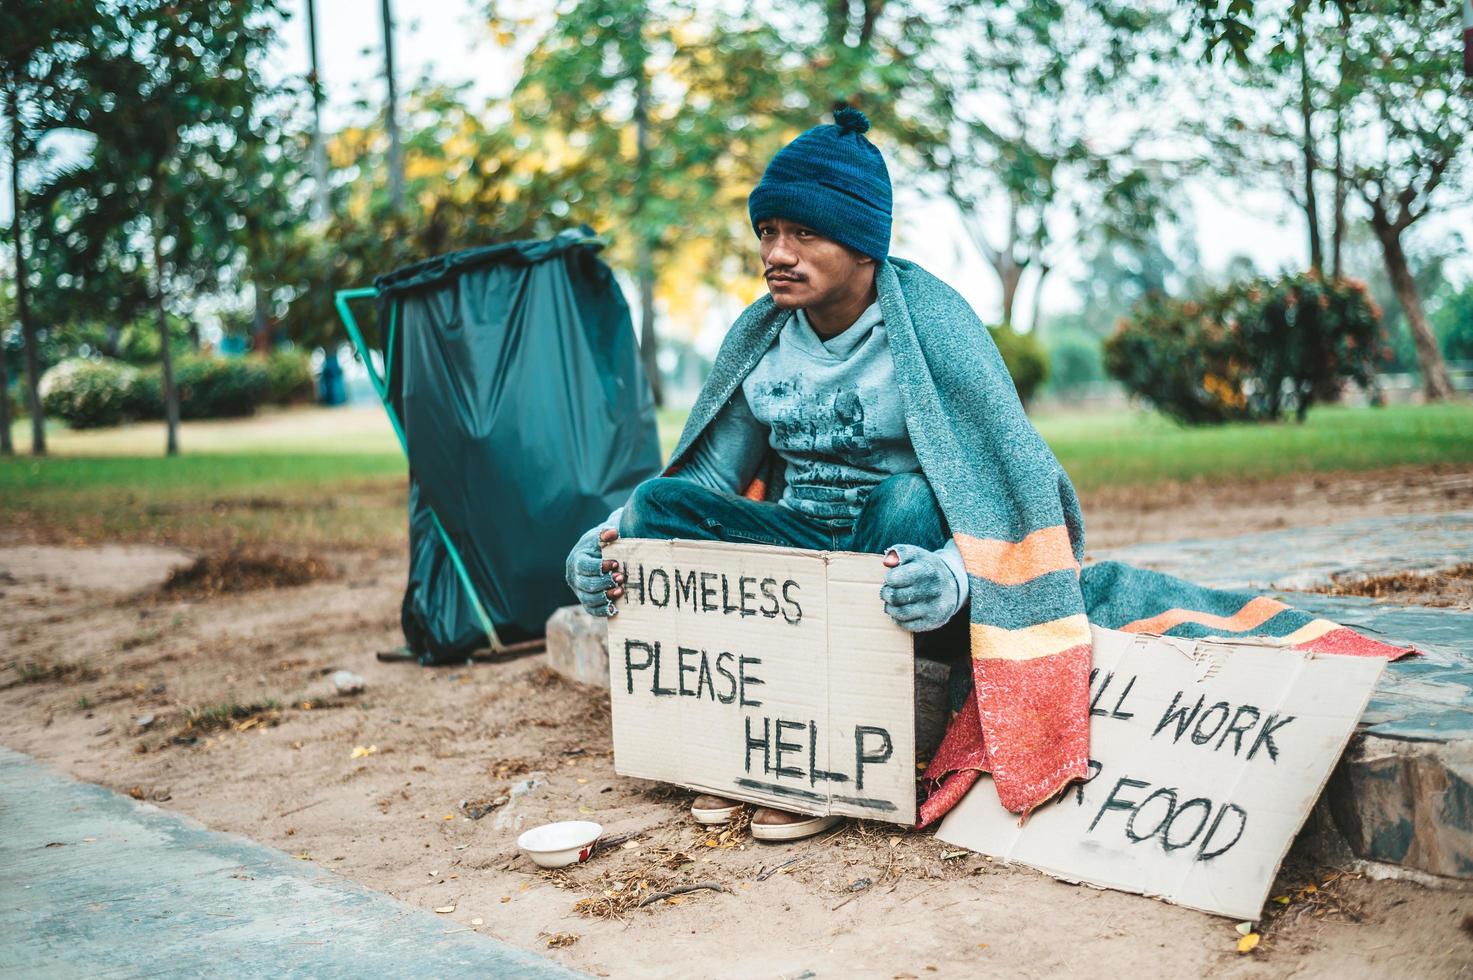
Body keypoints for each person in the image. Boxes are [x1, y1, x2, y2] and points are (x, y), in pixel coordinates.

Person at [566, 105, 982, 842]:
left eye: (803, 233)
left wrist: (951, 571)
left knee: (909, 497)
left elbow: (1003, 496)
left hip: (897, 565)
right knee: (659, 503)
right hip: (801, 552)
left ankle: (833, 763)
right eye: (767, 232)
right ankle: (745, 748)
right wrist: (605, 542)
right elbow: (704, 486)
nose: (776, 254)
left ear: (861, 245)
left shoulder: (932, 330)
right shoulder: (763, 339)